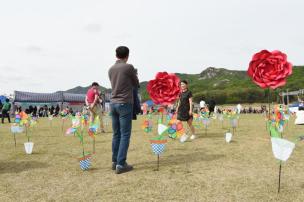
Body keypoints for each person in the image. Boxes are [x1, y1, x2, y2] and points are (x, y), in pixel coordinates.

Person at [108, 46, 139, 174]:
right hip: (124, 103)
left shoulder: (111, 69)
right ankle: (121, 164)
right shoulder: (128, 67)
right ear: (127, 55)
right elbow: (136, 84)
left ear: (116, 55)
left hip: (113, 103)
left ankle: (115, 161)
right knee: (125, 134)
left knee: (116, 134)